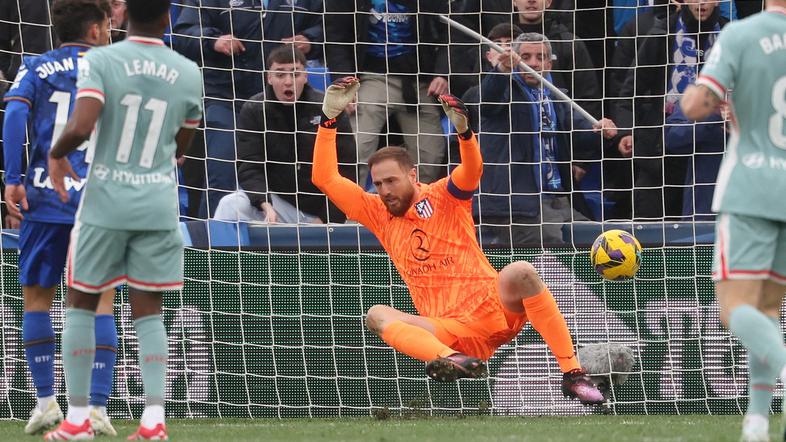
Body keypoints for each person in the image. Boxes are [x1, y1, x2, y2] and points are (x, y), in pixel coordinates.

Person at [312, 77, 605, 404]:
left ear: (412, 175)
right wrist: (328, 120)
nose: (384, 190)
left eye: (391, 181)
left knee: (521, 270)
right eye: (378, 183)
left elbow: (472, 170)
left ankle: (572, 373)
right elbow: (324, 178)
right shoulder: (376, 211)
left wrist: (465, 134)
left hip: (494, 307)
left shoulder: (443, 195)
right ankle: (449, 360)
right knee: (376, 315)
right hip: (448, 331)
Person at [44, 0, 202, 438]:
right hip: (158, 202)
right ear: (168, 18)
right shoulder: (188, 70)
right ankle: (153, 421)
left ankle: (77, 420)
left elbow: (82, 124)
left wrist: (56, 154)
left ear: (122, 15)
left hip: (107, 202)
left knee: (80, 302)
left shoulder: (101, 59)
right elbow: (185, 136)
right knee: (148, 312)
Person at [1, 0, 119, 436]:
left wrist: (12, 178)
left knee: (37, 298)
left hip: (44, 197)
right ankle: (98, 407)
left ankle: (47, 401)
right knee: (99, 300)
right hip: (100, 201)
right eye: (108, 25)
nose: (110, 31)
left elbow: (14, 115)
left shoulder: (36, 65)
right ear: (94, 29)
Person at [680, 2, 786, 440]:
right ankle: (757, 423)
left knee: (735, 307)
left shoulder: (741, 34)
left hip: (751, 188)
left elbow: (693, 105)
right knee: (768, 310)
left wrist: (723, 94)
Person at [173, 0, 324, 218]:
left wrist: (311, 40)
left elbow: (333, 28)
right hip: (224, 96)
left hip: (281, 101)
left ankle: (288, 239)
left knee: (294, 173)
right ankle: (216, 243)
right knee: (223, 169)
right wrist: (213, 40)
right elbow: (184, 33)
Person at [476, 33, 617, 245]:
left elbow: (579, 129)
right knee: (552, 265)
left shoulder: (554, 96)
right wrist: (502, 71)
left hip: (557, 199)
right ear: (515, 59)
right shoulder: (503, 90)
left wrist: (600, 130)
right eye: (526, 56)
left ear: (549, 64)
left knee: (596, 242)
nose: (533, 62)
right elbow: (487, 101)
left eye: (540, 57)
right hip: (519, 207)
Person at [610, 0, 727, 219]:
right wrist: (626, 131)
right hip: (660, 151)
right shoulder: (662, 33)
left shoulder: (730, 36)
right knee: (652, 230)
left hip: (710, 153)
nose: (701, 3)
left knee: (699, 236)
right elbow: (630, 90)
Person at [214, 45, 356, 224]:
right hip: (276, 207)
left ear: (305, 77)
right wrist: (264, 204)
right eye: (280, 75)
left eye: (295, 74)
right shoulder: (254, 110)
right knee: (230, 204)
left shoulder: (330, 109)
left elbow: (347, 170)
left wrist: (324, 218)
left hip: (323, 210)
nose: (288, 81)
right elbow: (249, 166)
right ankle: (217, 253)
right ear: (269, 78)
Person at [323, 0, 450, 188]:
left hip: (420, 81)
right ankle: (350, 212)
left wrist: (442, 72)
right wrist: (345, 81)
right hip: (372, 77)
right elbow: (335, 37)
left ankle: (416, 209)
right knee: (356, 146)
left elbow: (450, 33)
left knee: (430, 154)